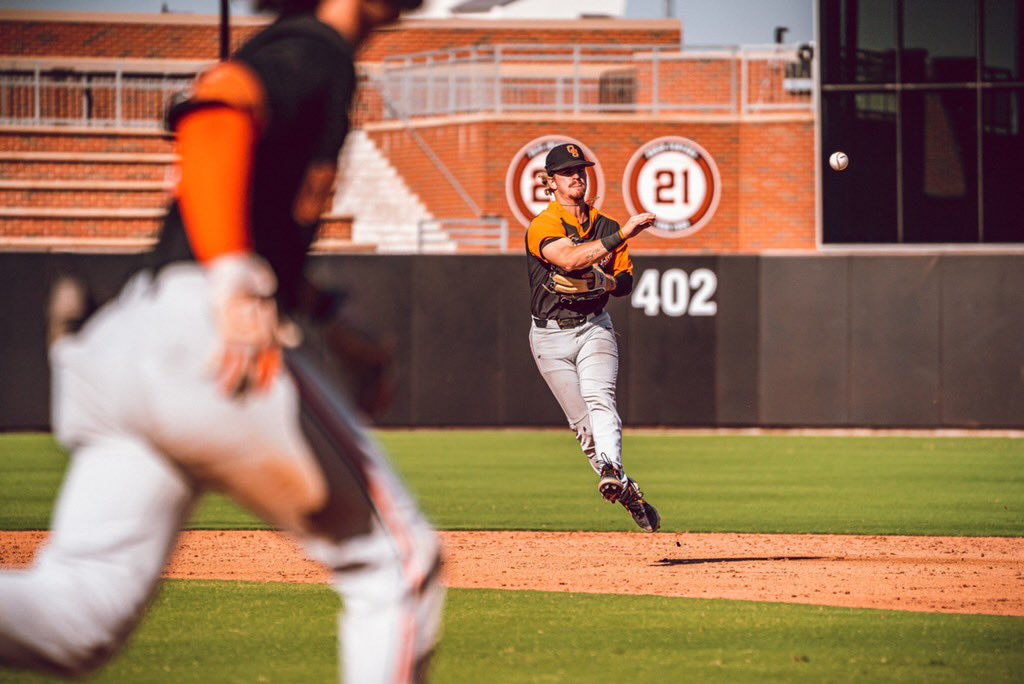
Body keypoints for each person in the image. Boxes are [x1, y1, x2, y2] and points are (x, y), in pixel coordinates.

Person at [0, 1, 445, 682]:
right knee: (397, 563)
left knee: (76, 618)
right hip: (202, 339)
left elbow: (258, 213)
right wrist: (235, 279)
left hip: (131, 341)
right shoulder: (315, 46)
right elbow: (216, 111)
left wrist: (333, 319)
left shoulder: (304, 49)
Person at [525, 142, 661, 533]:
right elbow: (568, 259)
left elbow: (626, 283)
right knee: (583, 427)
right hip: (548, 337)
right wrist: (622, 234)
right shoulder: (545, 224)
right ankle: (629, 492)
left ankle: (612, 468)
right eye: (567, 172)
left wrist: (607, 279)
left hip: (593, 328)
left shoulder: (604, 224)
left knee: (601, 398)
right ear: (550, 182)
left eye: (581, 169)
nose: (577, 176)